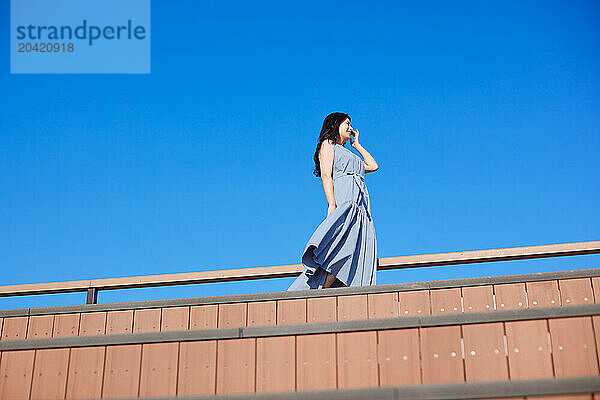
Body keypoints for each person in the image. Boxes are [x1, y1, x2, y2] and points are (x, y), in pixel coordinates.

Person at [288, 112, 379, 290]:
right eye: (346, 123)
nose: (350, 127)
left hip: (361, 206)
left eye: (351, 124)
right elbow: (326, 175)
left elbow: (373, 166)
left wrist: (357, 145)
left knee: (355, 248)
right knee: (341, 246)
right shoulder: (328, 145)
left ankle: (327, 289)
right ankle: (322, 290)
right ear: (335, 124)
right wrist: (332, 203)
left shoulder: (351, 154)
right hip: (345, 200)